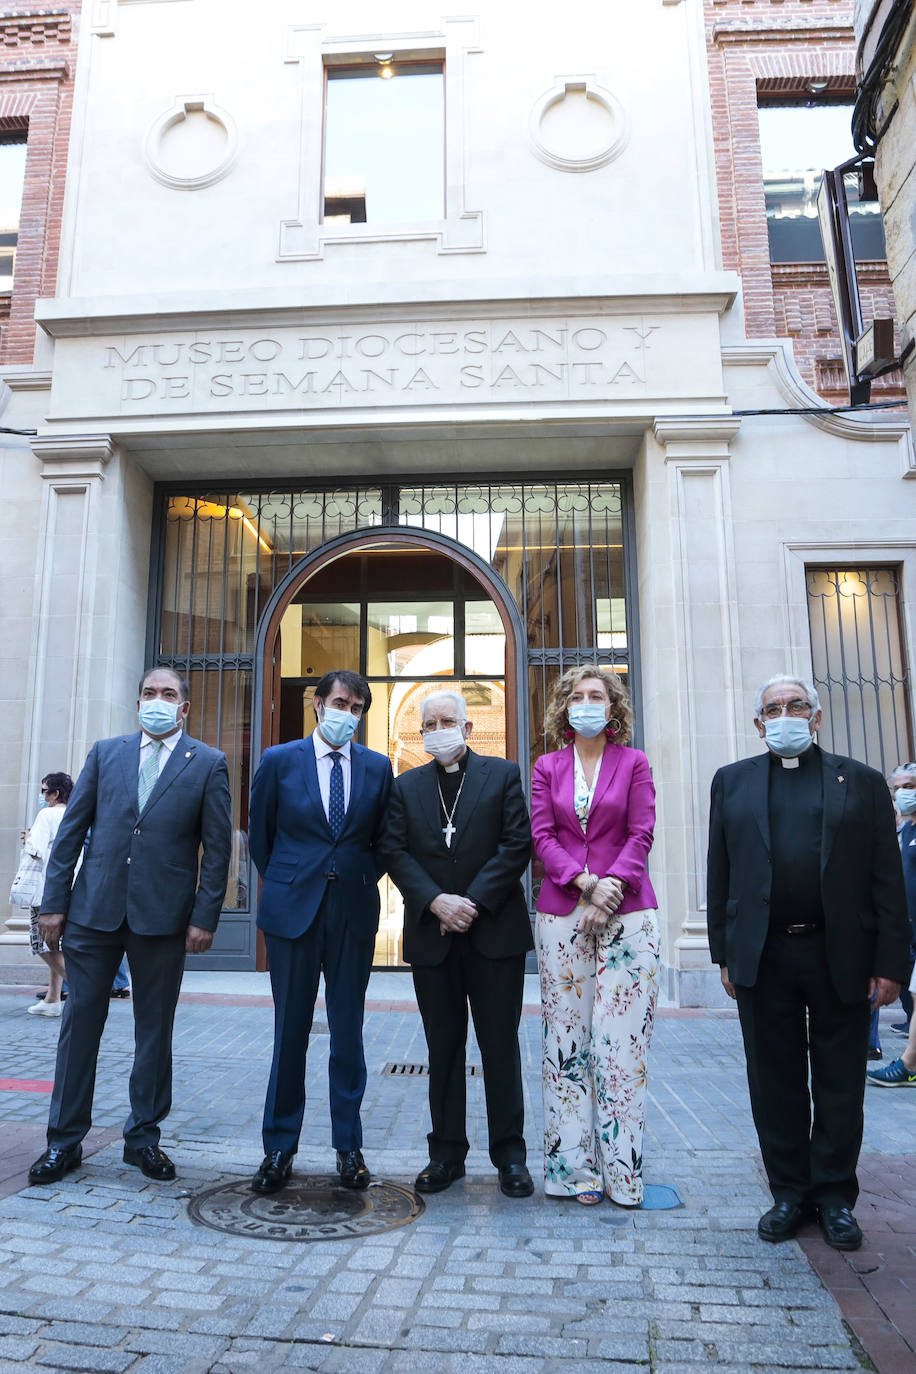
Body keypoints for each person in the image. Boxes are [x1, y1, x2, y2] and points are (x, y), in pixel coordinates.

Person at [707, 674, 911, 1251]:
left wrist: (891, 962)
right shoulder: (732, 782)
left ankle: (835, 1198)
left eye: (796, 705)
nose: (785, 714)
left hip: (839, 953)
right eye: (773, 708)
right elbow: (719, 869)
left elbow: (885, 881)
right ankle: (789, 1192)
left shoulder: (864, 782)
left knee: (840, 1079)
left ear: (816, 716)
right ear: (758, 723)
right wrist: (724, 951)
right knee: (774, 1080)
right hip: (764, 953)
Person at [28, 668, 232, 1185]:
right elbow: (71, 832)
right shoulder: (106, 752)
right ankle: (64, 1141)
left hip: (162, 920)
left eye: (167, 695)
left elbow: (217, 851)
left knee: (153, 1031)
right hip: (93, 913)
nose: (156, 702)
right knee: (79, 1028)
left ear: (184, 708)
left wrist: (204, 916)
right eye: (148, 694)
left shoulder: (208, 763)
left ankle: (143, 1139)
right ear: (137, 701)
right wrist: (53, 904)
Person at [380, 689, 534, 1199]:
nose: (438, 729)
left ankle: (510, 1156)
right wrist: (434, 902)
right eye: (430, 723)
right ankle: (445, 1154)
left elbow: (517, 845)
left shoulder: (503, 776)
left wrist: (469, 902)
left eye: (448, 721)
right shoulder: (405, 787)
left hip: (494, 933)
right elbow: (395, 851)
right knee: (442, 1050)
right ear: (420, 733)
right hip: (433, 937)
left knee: (499, 1049)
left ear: (468, 729)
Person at [248, 669, 392, 1195]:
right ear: (317, 704)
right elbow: (261, 840)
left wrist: (349, 877)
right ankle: (278, 1148)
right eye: (339, 702)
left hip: (352, 910)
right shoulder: (279, 760)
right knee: (290, 1031)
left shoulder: (378, 767)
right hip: (292, 911)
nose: (346, 714)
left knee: (348, 1032)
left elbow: (382, 842)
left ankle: (348, 1147)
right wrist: (293, 879)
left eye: (357, 707)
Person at [531, 666, 659, 1206]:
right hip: (562, 914)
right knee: (566, 1045)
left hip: (629, 916)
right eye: (577, 696)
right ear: (564, 707)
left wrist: (608, 891)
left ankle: (624, 1174)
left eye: (596, 696)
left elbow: (642, 831)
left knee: (621, 1048)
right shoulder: (546, 766)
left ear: (613, 709)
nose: (586, 703)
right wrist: (583, 884)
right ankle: (572, 1171)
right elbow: (541, 835)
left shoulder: (634, 763)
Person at [23, 773, 75, 1017]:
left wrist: (28, 839)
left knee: (40, 943)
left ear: (55, 794)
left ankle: (82, 989)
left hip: (46, 888)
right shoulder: (75, 813)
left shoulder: (47, 814)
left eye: (45, 791)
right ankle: (53, 999)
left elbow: (36, 850)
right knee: (56, 943)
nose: (43, 796)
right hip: (73, 887)